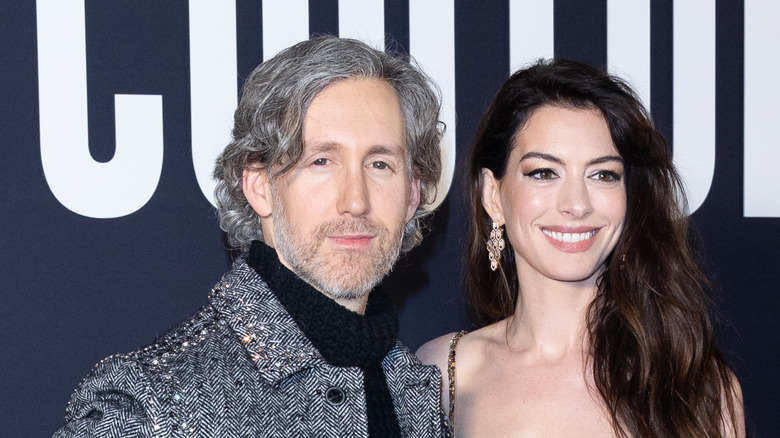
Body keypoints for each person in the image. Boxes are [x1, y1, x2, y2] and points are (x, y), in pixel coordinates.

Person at [54, 35, 445, 438]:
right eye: (322, 161)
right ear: (259, 187)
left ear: (412, 195)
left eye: (379, 164)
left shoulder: (422, 395)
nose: (356, 201)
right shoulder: (151, 404)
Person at [417, 59, 745, 437]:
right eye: (544, 173)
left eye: (603, 175)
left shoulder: (698, 388)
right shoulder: (441, 375)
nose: (577, 203)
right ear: (493, 195)